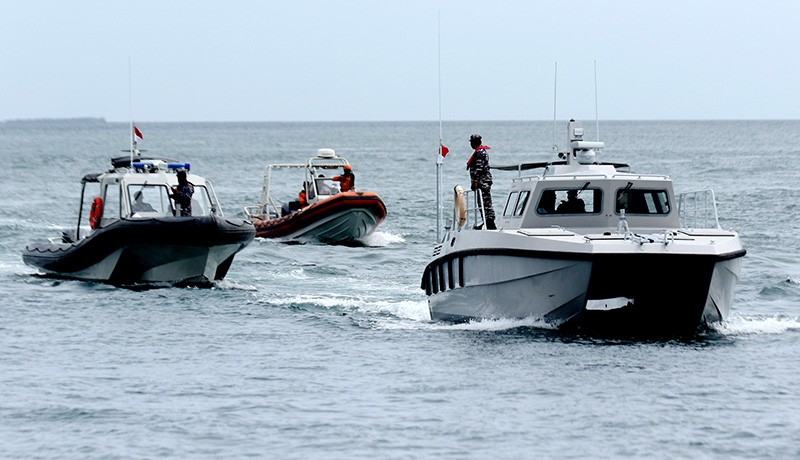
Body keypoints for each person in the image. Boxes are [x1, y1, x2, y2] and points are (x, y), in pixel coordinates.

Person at [466, 134, 496, 229]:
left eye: (471, 142)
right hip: (482, 181)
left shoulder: (480, 153)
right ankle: (486, 222)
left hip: (483, 182)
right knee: (482, 202)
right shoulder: (480, 151)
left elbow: (479, 168)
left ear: (474, 143)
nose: (470, 144)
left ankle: (490, 223)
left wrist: (474, 181)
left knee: (485, 203)